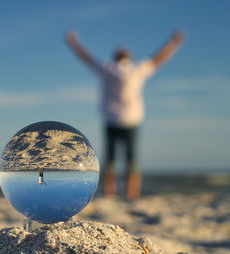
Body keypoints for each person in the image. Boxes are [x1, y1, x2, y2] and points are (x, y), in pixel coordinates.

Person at [65, 30, 184, 200]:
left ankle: (118, 193)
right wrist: (174, 42)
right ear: (127, 56)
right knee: (126, 159)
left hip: (119, 119)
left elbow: (87, 58)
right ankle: (124, 194)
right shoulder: (132, 69)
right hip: (126, 119)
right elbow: (158, 58)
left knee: (119, 159)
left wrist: (74, 43)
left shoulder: (112, 69)